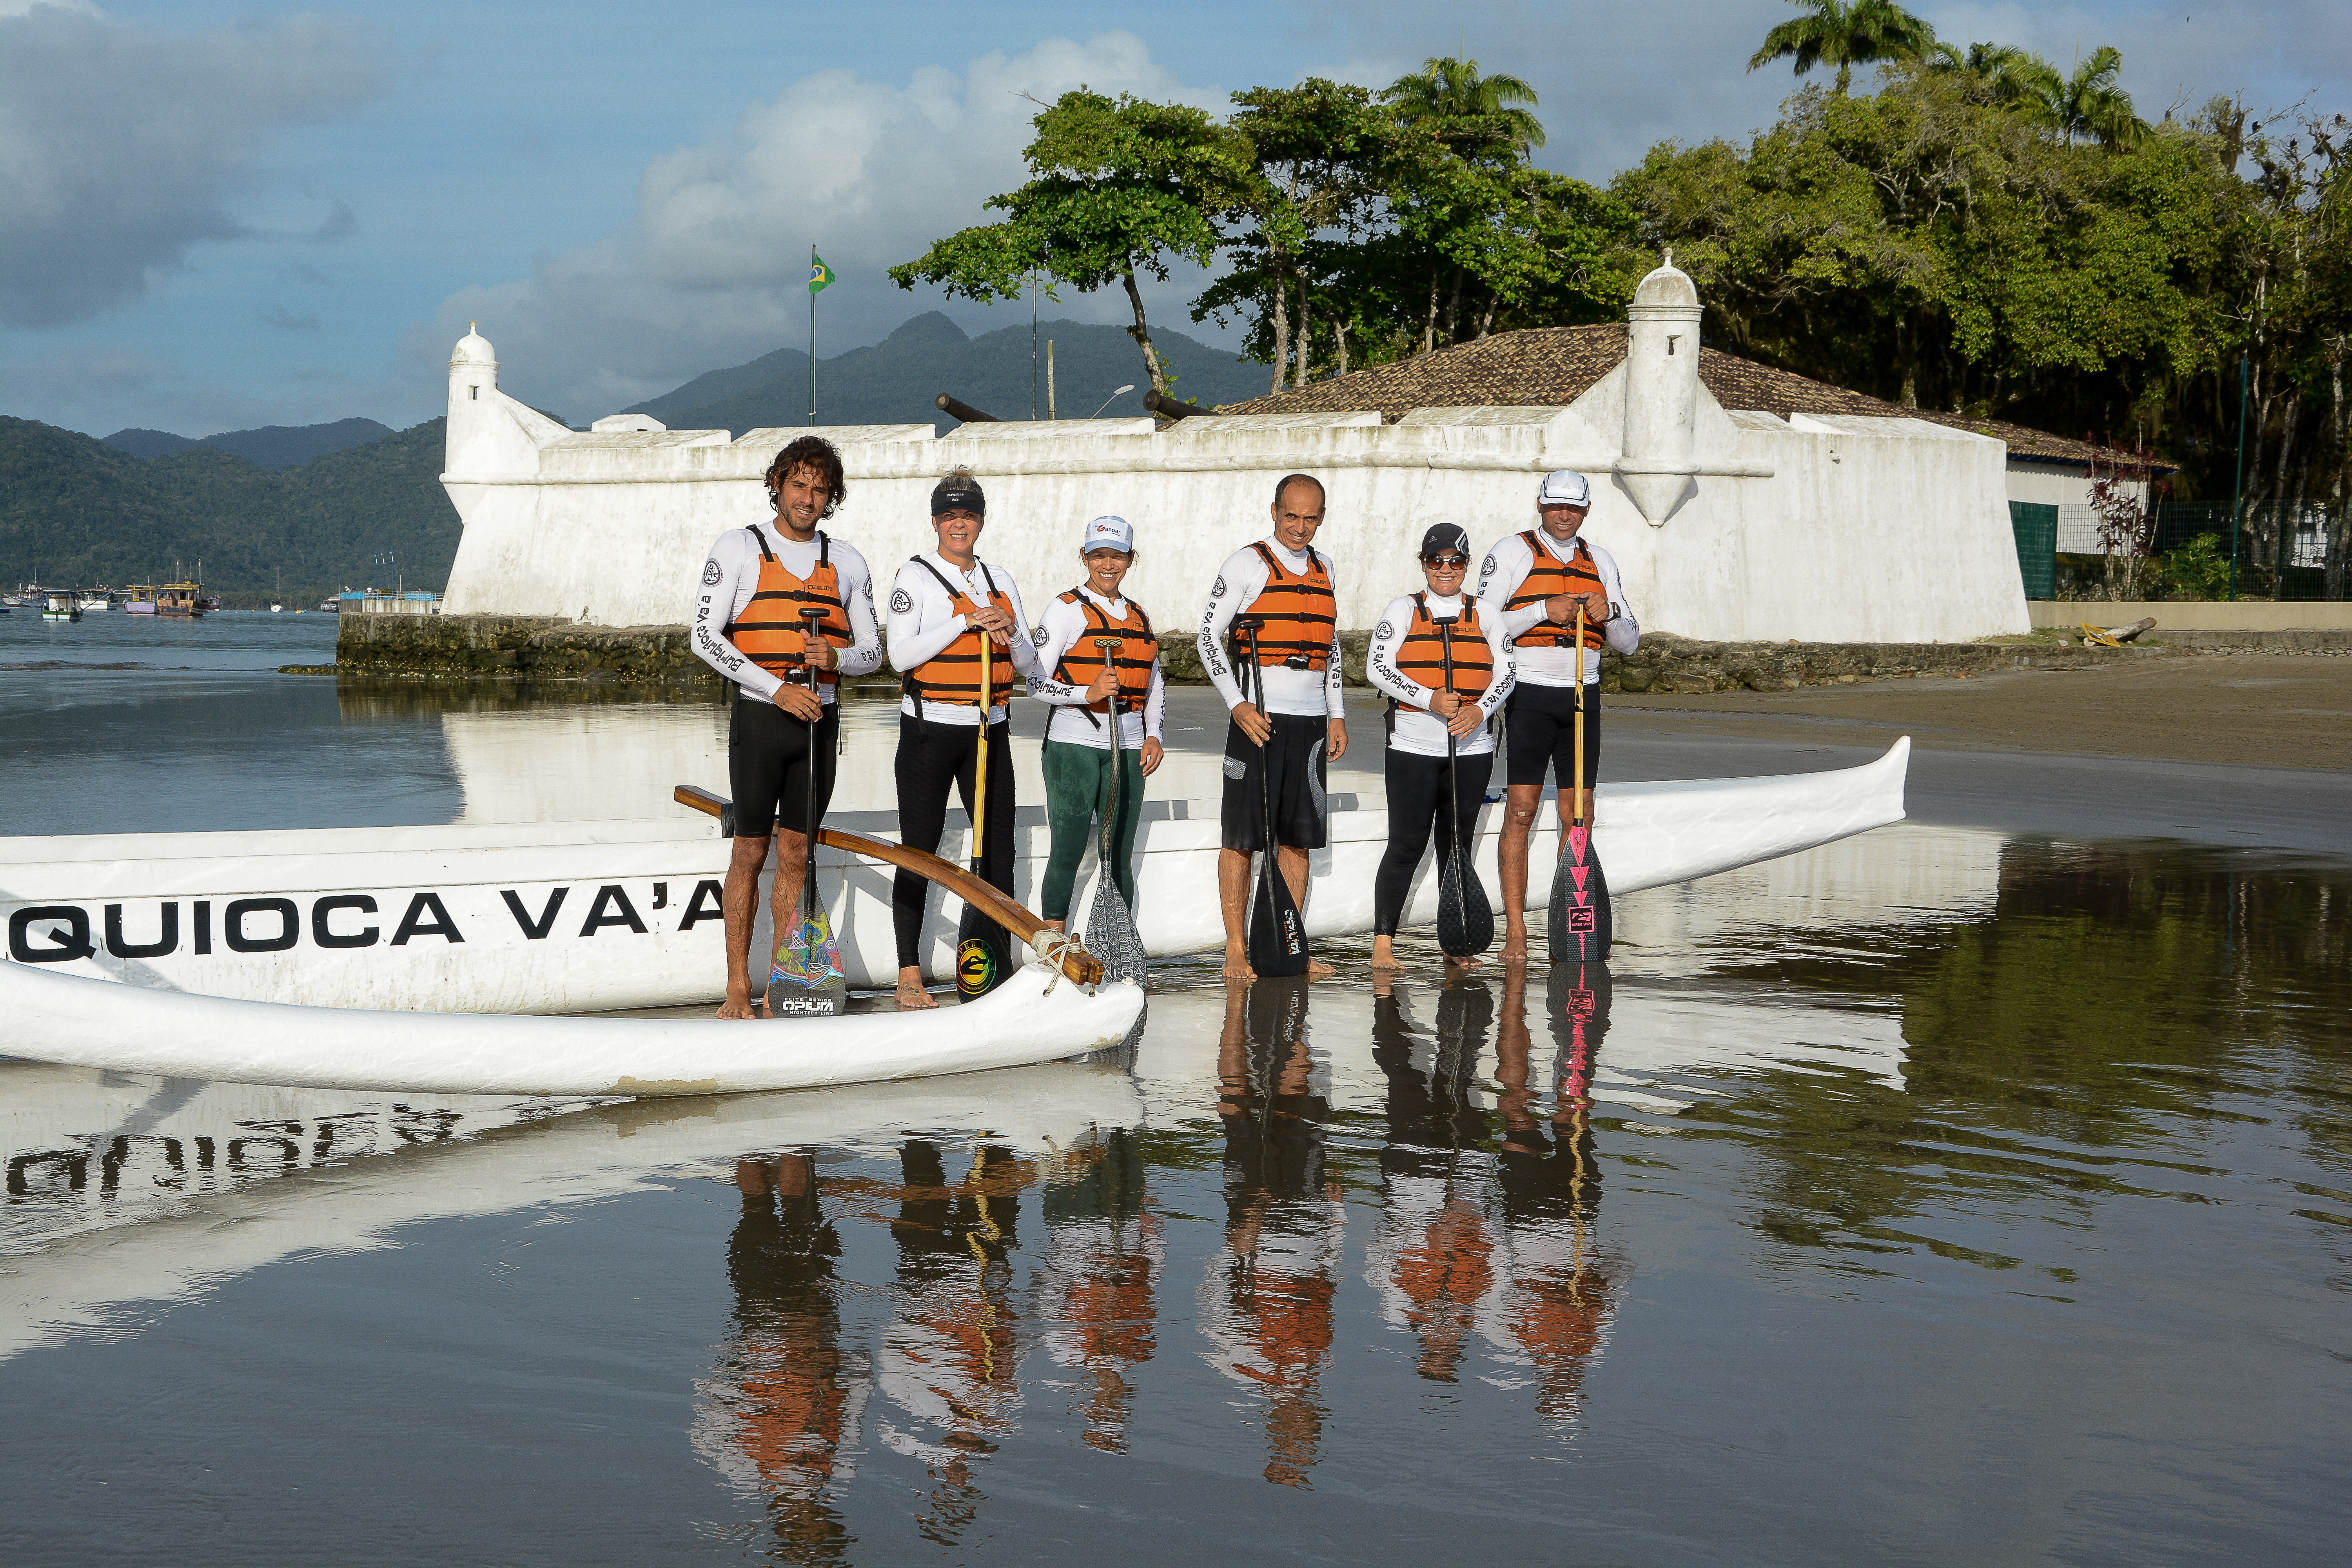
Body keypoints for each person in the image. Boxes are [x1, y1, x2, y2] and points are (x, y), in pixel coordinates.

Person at [692, 435, 882, 1019]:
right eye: (799, 484)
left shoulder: (847, 561)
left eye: (820, 489)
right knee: (750, 852)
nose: (808, 497)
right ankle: (737, 990)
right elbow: (702, 637)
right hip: (761, 720)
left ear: (832, 498)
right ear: (777, 484)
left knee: (796, 855)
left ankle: (781, 985)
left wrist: (836, 661)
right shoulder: (740, 548)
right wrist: (777, 688)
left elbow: (874, 651)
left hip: (817, 729)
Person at [884, 467, 1038, 1009]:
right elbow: (898, 656)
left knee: (998, 853)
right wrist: (966, 623)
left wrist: (1010, 631)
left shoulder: (1002, 581)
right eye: (950, 517)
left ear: (980, 522)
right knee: (919, 850)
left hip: (989, 732)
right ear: (935, 522)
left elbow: (1029, 664)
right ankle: (909, 973)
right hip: (930, 731)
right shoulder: (916, 579)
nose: (959, 525)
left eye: (968, 516)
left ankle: (996, 966)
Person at [1476, 469, 1640, 965]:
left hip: (1582, 698)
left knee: (1579, 816)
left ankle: (1575, 921)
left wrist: (1608, 612)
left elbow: (1630, 642)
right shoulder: (1511, 553)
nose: (1564, 515)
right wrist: (1542, 610)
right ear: (1541, 507)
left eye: (1573, 508)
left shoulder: (1601, 560)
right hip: (1528, 694)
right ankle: (1517, 932)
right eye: (1554, 507)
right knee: (1522, 810)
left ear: (1586, 511)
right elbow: (1481, 622)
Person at [1197, 474, 1348, 982]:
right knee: (1241, 839)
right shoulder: (1247, 563)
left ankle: (1290, 948)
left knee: (1298, 842)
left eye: (1310, 519)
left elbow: (1330, 646)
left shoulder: (1325, 567)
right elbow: (1207, 637)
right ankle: (1237, 951)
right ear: (1274, 511)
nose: (1299, 528)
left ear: (1321, 518)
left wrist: (1338, 713)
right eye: (1291, 516)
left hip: (1309, 727)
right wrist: (1237, 705)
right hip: (1257, 722)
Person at [1365, 523, 1517, 972]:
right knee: (1407, 844)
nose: (1446, 569)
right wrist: (1428, 698)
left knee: (1457, 844)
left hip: (1471, 748)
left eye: (1455, 561)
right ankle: (1383, 943)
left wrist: (1480, 711)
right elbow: (1377, 667)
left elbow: (1507, 672)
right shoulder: (1404, 609)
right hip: (1413, 745)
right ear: (1424, 563)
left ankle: (1455, 940)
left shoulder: (1487, 613)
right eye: (1437, 561)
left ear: (1467, 566)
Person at [1027, 515, 1167, 933]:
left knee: (1118, 853)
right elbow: (1034, 682)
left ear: (1130, 559)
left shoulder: (1138, 615)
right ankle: (1053, 939)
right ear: (1085, 557)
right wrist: (1084, 693)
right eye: (1099, 555)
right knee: (1068, 848)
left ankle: (1118, 943)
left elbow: (1155, 682)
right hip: (1073, 745)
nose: (1108, 565)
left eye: (1118, 556)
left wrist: (1155, 733)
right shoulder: (1065, 610)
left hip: (1128, 744)